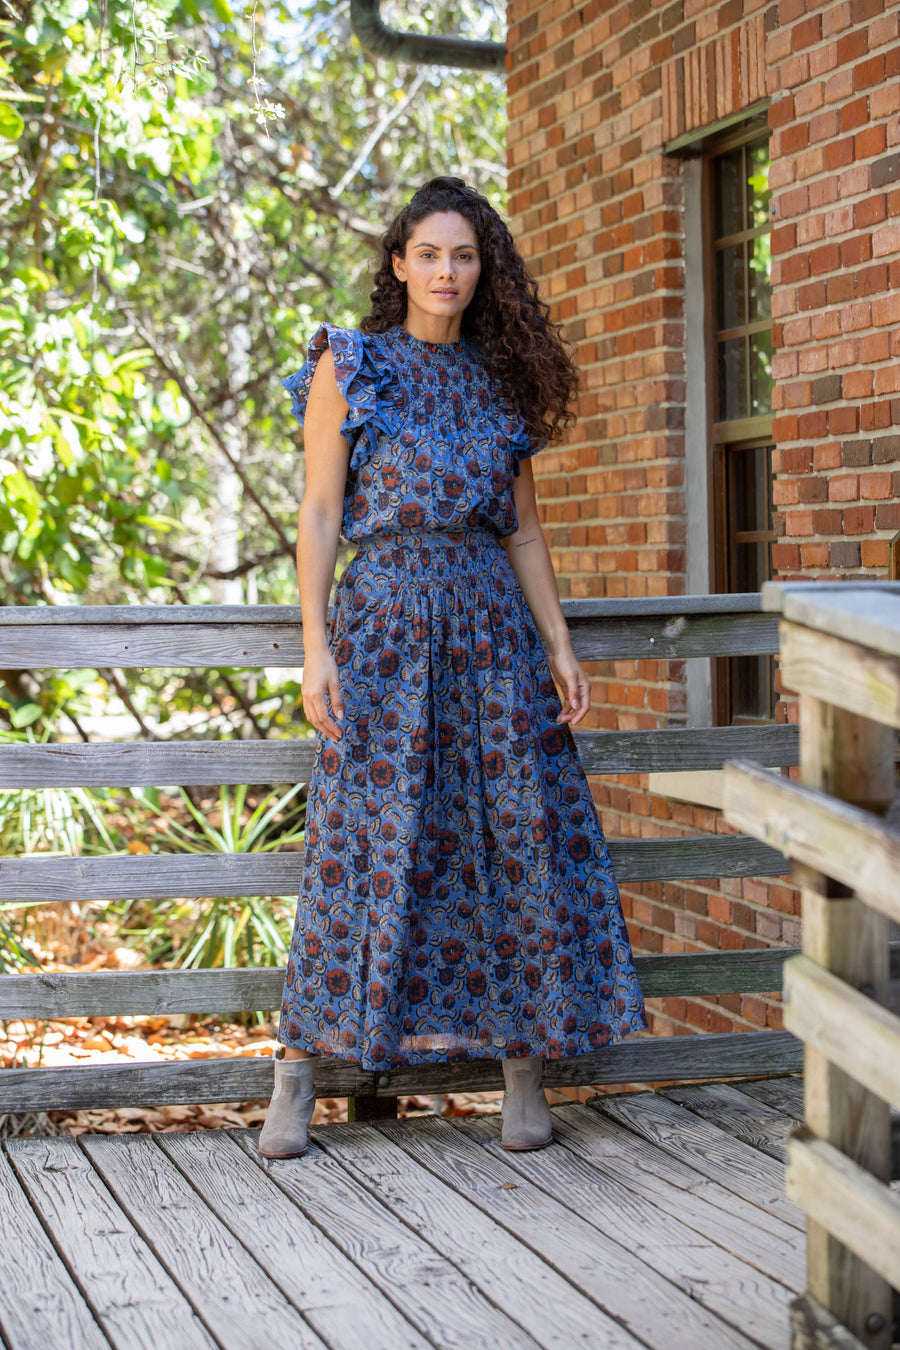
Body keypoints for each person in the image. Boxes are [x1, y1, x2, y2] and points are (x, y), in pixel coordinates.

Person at [258, 176, 648, 1161]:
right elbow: (316, 513)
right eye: (429, 254)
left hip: (490, 629)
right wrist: (313, 646)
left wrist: (558, 641)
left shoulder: (500, 377)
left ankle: (524, 1071)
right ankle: (298, 1070)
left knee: (512, 832)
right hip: (384, 621)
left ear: (485, 270)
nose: (446, 271)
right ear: (398, 264)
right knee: (363, 840)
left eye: (464, 256)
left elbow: (520, 529)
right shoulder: (352, 364)